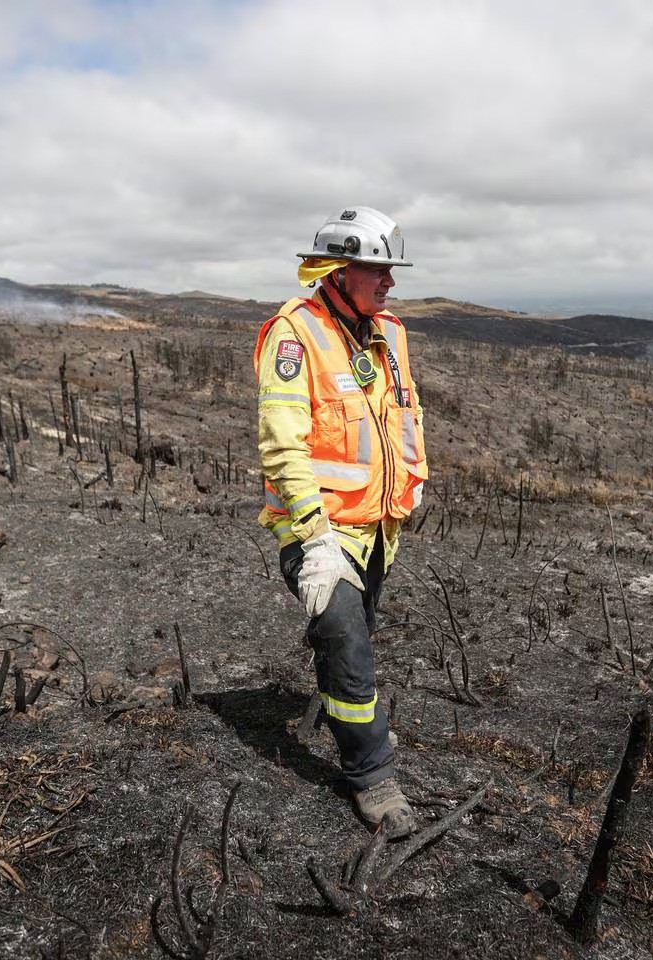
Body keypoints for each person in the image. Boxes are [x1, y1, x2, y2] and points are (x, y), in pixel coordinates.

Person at [253, 206, 429, 836]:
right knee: (349, 643)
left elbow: (396, 419)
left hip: (379, 528)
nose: (389, 282)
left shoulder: (389, 331)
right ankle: (372, 775)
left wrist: (405, 492)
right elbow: (283, 445)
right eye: (376, 269)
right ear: (337, 270)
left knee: (352, 636)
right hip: (320, 531)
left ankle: (333, 693)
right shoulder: (294, 335)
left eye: (390, 270)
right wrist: (316, 536)